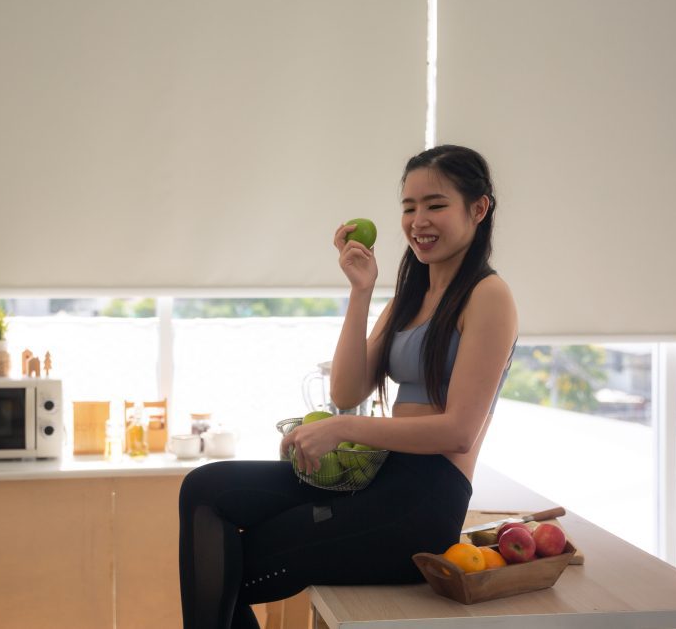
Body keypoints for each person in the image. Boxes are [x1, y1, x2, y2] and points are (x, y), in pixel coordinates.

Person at [178, 144, 518, 629]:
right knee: (204, 489)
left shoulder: (489, 296)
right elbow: (346, 388)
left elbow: (459, 432)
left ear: (478, 208)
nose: (418, 220)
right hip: (379, 477)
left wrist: (342, 427)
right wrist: (360, 292)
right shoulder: (412, 296)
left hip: (423, 502)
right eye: (408, 207)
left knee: (230, 562)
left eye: (435, 205)